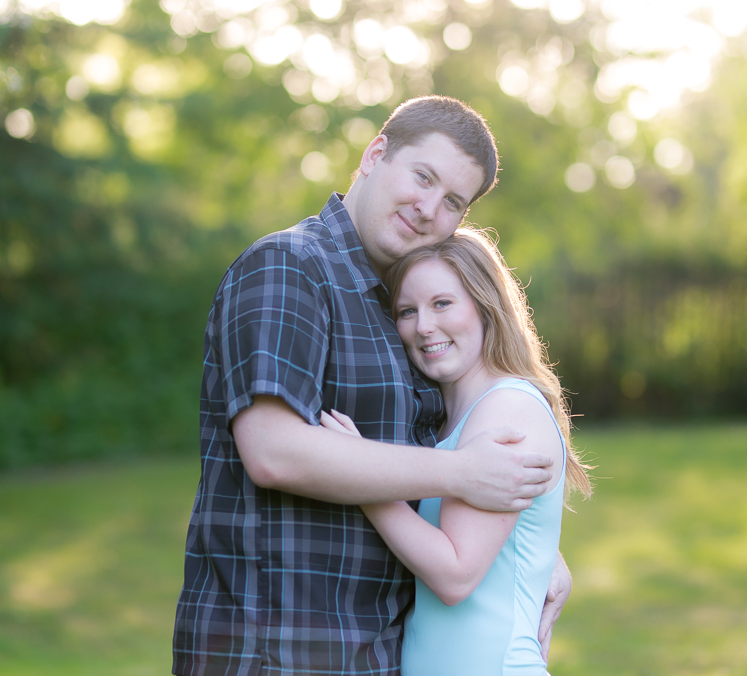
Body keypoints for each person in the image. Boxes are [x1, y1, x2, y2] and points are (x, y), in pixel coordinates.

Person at [172, 96, 571, 676]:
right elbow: (273, 452)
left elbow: (416, 459)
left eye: (453, 201)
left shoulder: (399, 311)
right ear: (375, 154)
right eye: (423, 176)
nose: (429, 207)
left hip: (372, 652)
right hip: (274, 650)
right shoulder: (291, 267)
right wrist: (463, 474)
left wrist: (525, 553)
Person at [321, 227, 593, 676]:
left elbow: (456, 575)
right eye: (407, 311)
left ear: (486, 305)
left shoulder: (508, 408)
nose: (424, 326)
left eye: (442, 303)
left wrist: (358, 472)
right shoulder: (450, 423)